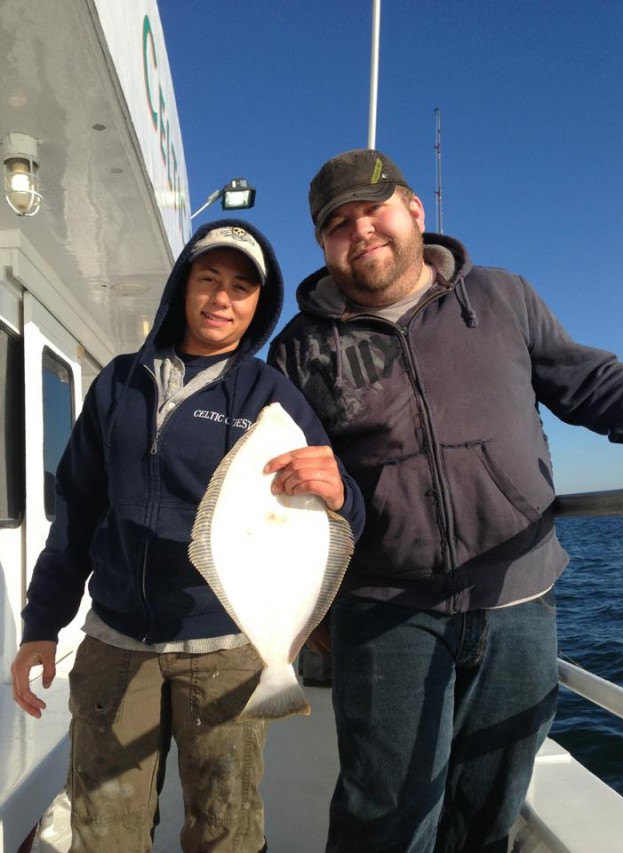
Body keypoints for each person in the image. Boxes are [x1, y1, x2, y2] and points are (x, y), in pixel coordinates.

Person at [267, 148, 623, 853]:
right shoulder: (299, 349)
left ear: (414, 210)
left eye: (371, 210)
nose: (360, 230)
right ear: (323, 245)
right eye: (337, 224)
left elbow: (590, 384)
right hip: (385, 610)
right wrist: (311, 607)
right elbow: (278, 488)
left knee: (489, 803)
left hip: (519, 596)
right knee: (385, 814)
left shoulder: (502, 297)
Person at [11, 219, 365, 853]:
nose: (222, 299)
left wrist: (342, 493)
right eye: (209, 279)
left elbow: (338, 513)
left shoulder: (269, 395)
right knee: (103, 824)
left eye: (241, 287)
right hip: (116, 637)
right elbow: (78, 512)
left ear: (259, 304)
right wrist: (42, 624)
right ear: (182, 286)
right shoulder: (119, 384)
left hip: (227, 643)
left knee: (225, 823)